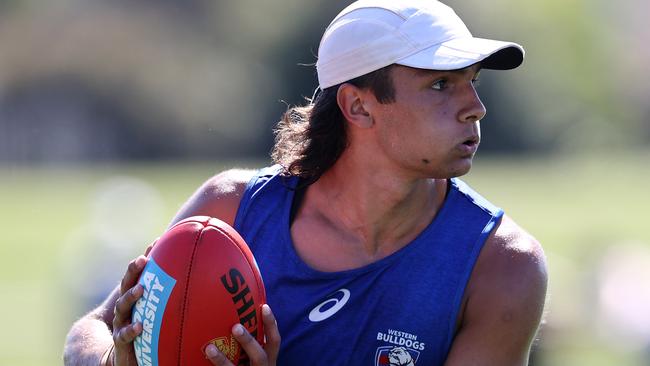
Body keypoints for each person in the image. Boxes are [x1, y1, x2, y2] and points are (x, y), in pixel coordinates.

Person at [64, 0, 547, 365]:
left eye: (472, 82)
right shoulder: (229, 211)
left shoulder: (502, 269)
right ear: (358, 106)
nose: (475, 107)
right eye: (441, 84)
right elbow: (88, 333)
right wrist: (113, 359)